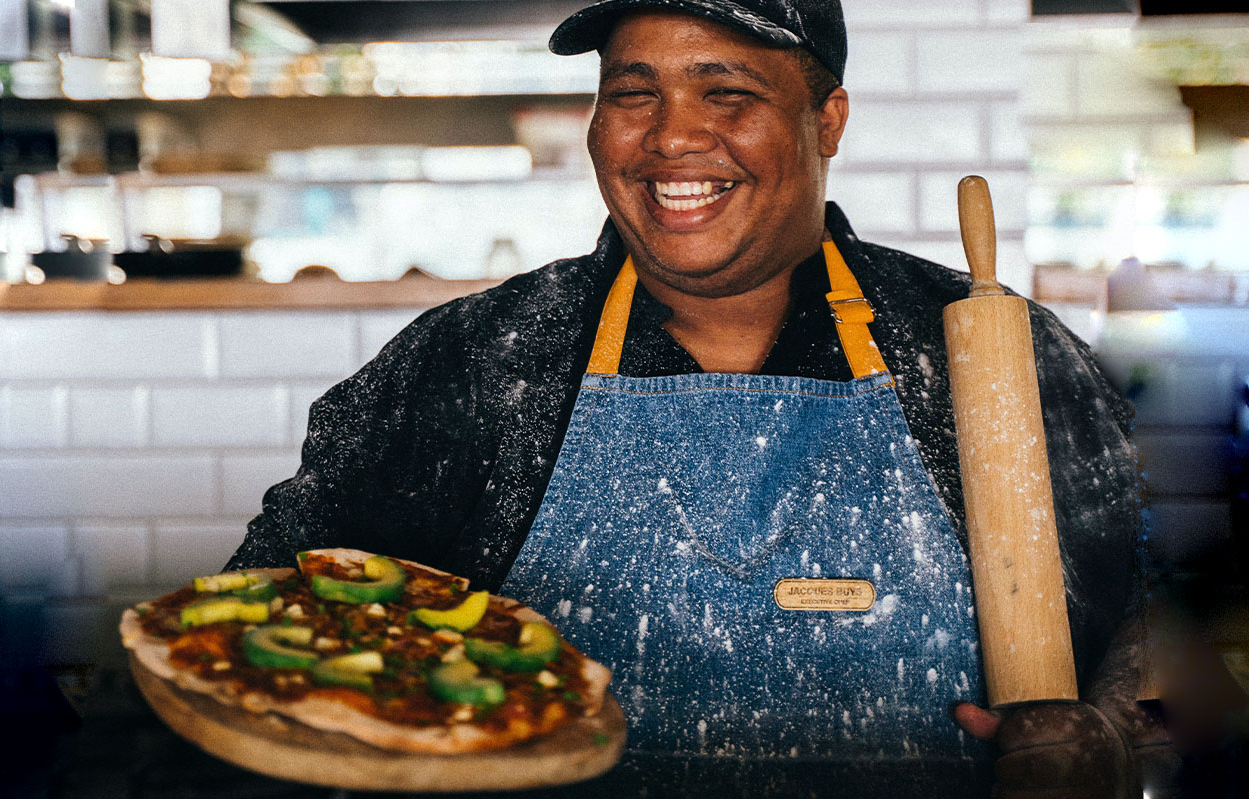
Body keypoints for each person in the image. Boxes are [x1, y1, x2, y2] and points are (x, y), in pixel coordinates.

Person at [226, 1, 1175, 795]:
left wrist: (1110, 732)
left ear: (828, 119)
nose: (672, 136)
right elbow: (268, 622)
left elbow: (1154, 610)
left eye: (729, 93)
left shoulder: (986, 352)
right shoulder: (477, 361)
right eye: (633, 94)